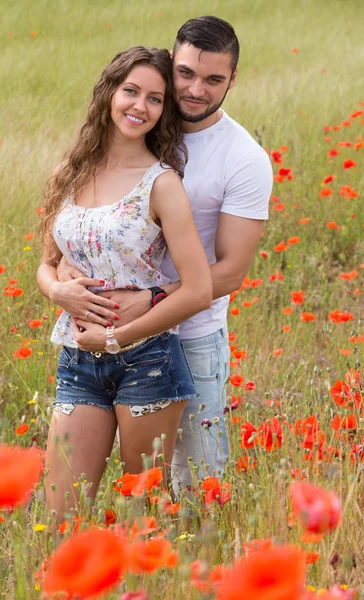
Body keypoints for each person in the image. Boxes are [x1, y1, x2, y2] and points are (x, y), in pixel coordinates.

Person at [57, 16, 273, 493]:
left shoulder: (244, 159)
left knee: (194, 490)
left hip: (191, 338)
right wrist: (63, 278)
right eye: (186, 73)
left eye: (214, 79)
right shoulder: (142, 127)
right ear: (170, 64)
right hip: (98, 334)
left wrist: (151, 298)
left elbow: (232, 272)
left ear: (232, 79)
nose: (196, 89)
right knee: (117, 492)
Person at [36, 45, 212, 521]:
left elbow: (198, 289)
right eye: (131, 91)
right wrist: (56, 291)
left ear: (163, 111)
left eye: (155, 99)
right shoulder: (72, 173)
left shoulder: (161, 183)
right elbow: (46, 263)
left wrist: (115, 337)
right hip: (78, 359)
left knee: (143, 513)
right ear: (109, 93)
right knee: (58, 514)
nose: (140, 106)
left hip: (147, 359)